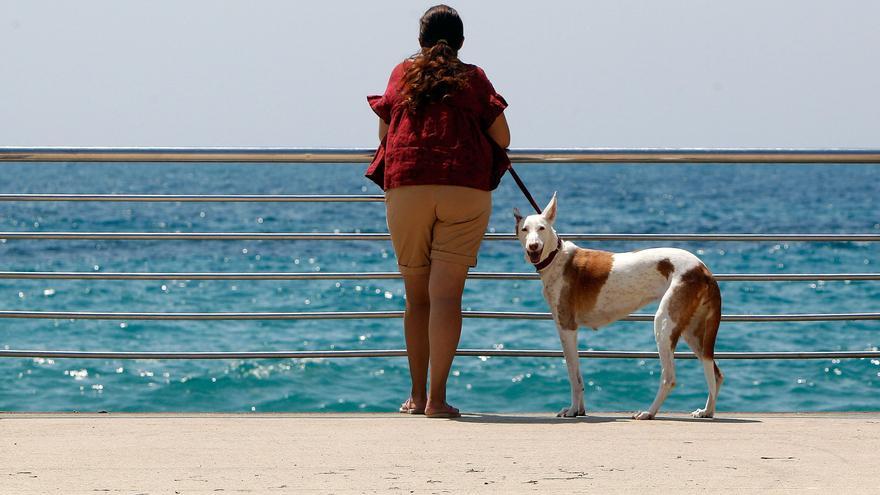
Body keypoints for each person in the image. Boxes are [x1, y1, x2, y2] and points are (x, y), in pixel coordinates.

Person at [366, 4, 510, 418]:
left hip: (408, 184)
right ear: (462, 42)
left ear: (420, 41)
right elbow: (502, 135)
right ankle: (437, 399)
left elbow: (384, 132)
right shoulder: (475, 78)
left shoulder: (401, 74)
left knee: (417, 297)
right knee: (446, 297)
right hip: (464, 188)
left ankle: (414, 394)